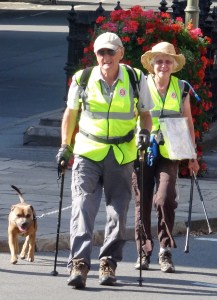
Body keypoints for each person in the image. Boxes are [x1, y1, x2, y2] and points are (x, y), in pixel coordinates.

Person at [56, 32, 154, 288]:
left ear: (121, 53)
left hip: (121, 154)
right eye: (101, 52)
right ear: (95, 54)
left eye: (111, 52)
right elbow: (71, 113)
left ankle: (108, 262)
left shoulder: (135, 78)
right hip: (88, 151)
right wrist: (65, 147)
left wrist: (144, 133)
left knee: (117, 212)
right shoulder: (83, 78)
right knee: (82, 207)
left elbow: (145, 114)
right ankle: (79, 263)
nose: (106, 57)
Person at [132, 42, 200, 273]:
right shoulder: (142, 85)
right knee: (142, 202)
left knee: (165, 198)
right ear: (152, 64)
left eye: (167, 61)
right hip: (144, 149)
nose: (163, 65)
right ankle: (144, 250)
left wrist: (192, 154)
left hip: (171, 150)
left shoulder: (180, 87)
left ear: (173, 65)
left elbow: (188, 120)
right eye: (159, 61)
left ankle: (165, 250)